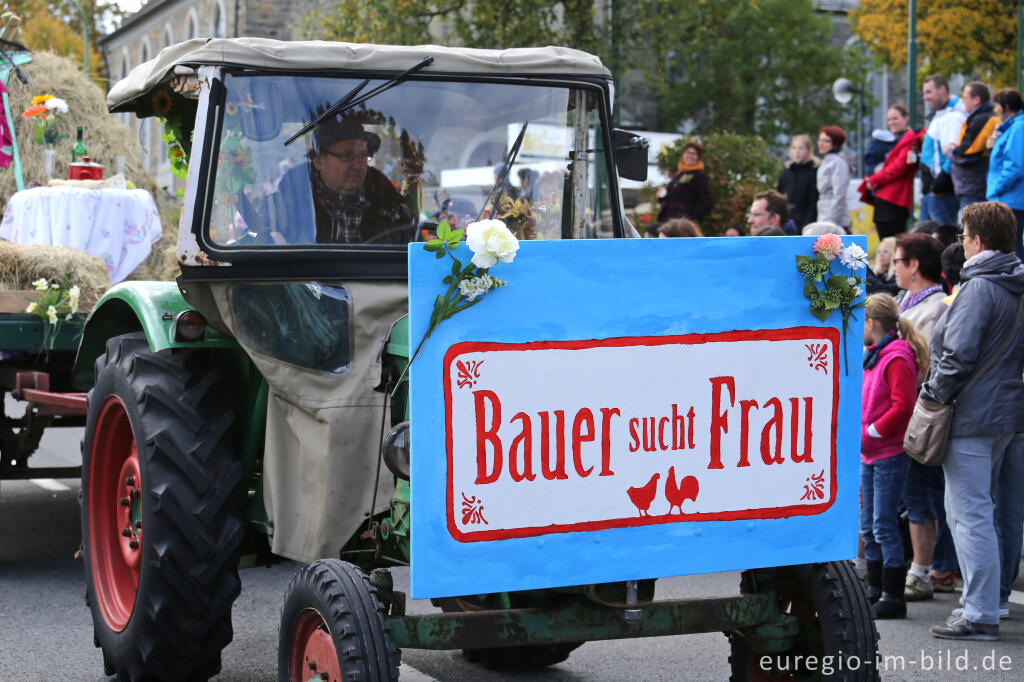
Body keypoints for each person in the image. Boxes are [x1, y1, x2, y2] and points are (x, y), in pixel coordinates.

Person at [924, 201, 1024, 641]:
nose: (961, 244)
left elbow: (957, 354)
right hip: (1005, 410)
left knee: (969, 514)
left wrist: (932, 395)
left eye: (964, 237)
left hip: (971, 411)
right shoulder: (1013, 280)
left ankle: (979, 612)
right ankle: (989, 603)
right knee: (987, 511)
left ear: (978, 241)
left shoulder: (980, 286)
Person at [861, 292, 930, 619]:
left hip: (887, 452)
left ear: (872, 323)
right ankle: (875, 588)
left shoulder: (896, 357)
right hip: (869, 454)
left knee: (884, 524)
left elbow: (902, 406)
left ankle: (892, 594)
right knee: (868, 525)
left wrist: (873, 431)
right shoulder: (875, 355)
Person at [267, 116, 412, 244]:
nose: (357, 165)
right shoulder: (285, 207)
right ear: (319, 162)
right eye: (347, 156)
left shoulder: (390, 205)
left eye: (362, 155)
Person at [858, 105, 923, 240]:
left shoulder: (909, 140)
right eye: (889, 119)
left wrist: (874, 180)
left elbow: (898, 168)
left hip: (894, 198)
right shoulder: (892, 140)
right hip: (884, 197)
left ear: (906, 118)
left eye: (895, 118)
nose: (892, 123)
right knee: (887, 241)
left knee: (892, 241)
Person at [946, 82, 999, 212]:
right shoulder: (980, 118)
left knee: (971, 229)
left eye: (965, 97)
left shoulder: (981, 119)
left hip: (974, 186)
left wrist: (950, 151)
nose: (962, 101)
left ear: (976, 100)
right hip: (974, 185)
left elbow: (966, 154)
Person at [920, 75, 965, 225]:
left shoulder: (952, 116)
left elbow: (952, 154)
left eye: (929, 92)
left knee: (941, 241)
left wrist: (939, 184)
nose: (925, 97)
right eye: (924, 93)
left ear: (943, 90)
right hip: (934, 191)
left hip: (941, 192)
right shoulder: (942, 114)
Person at [985, 88, 1024, 260]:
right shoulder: (1010, 127)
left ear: (1006, 106)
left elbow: (1015, 165)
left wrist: (997, 188)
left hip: (1011, 198)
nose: (995, 110)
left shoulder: (1018, 127)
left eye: (997, 106)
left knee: (1012, 247)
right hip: (1008, 196)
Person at [657, 141, 713, 224]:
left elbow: (708, 202)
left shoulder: (698, 175)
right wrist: (661, 196)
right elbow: (671, 197)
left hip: (680, 223)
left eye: (693, 153)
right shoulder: (679, 173)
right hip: (666, 219)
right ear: (683, 155)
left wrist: (692, 219)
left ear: (698, 157)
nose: (690, 155)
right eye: (687, 152)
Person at [776, 135, 818, 229]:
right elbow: (779, 197)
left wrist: (807, 224)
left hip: (805, 221)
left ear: (809, 151)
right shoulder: (786, 172)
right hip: (786, 221)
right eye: (794, 148)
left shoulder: (813, 173)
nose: (797, 151)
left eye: (801, 148)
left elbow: (813, 202)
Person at [816, 126, 851, 230]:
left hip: (834, 221)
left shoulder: (838, 161)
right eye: (820, 140)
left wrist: (832, 221)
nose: (821, 144)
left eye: (826, 141)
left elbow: (839, 193)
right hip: (824, 216)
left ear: (835, 143)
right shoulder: (826, 160)